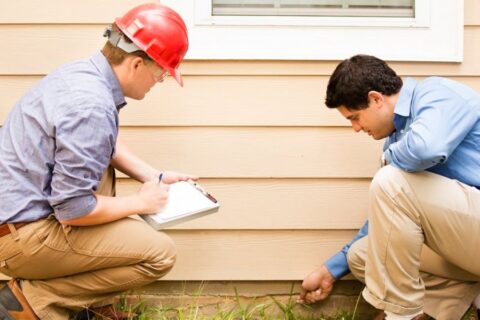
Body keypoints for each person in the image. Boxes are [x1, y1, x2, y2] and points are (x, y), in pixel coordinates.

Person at [0, 3, 196, 320]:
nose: (159, 81)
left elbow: (100, 144)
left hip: (18, 218)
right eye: (161, 73)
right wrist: (141, 203)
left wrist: (153, 176)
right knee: (160, 254)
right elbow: (74, 209)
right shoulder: (90, 105)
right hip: (22, 238)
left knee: (103, 179)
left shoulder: (84, 75)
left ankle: (83, 305)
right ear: (135, 64)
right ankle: (33, 301)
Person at [298, 54, 480, 320]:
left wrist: (388, 161)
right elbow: (387, 219)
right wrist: (330, 271)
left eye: (355, 117)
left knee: (389, 181)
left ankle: (401, 315)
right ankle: (466, 295)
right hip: (466, 243)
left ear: (375, 98)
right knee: (362, 255)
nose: (356, 129)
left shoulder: (438, 95)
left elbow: (428, 148)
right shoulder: (398, 144)